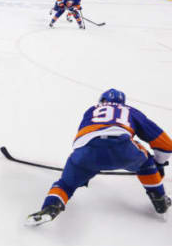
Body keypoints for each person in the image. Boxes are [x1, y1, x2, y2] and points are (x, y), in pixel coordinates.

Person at [27, 89, 172, 226]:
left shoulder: (91, 110)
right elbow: (166, 144)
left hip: (86, 151)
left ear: (102, 100)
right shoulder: (130, 111)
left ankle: (51, 207)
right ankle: (159, 199)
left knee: (65, 184)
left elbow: (85, 139)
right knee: (146, 163)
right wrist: (158, 164)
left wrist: (86, 171)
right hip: (122, 147)